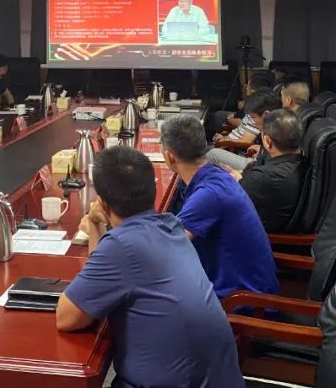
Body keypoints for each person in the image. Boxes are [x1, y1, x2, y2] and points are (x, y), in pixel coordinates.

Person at [55, 146, 244, 388]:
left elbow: (67, 318)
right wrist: (94, 223)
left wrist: (96, 222)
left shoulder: (121, 246)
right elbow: (99, 277)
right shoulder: (171, 225)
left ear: (102, 203)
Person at [160, 114, 277, 299]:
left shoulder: (209, 194)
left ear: (169, 156)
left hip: (243, 302)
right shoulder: (216, 176)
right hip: (244, 288)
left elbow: (164, 251)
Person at [231, 108, 308, 233]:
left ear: (267, 141)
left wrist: (235, 179)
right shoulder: (305, 161)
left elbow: (230, 198)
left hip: (259, 236)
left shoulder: (262, 177)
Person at [206, 89, 281, 172]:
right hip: (260, 160)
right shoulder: (276, 124)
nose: (252, 121)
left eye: (253, 117)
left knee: (211, 154)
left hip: (258, 167)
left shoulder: (276, 132)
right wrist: (262, 150)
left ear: (266, 114)